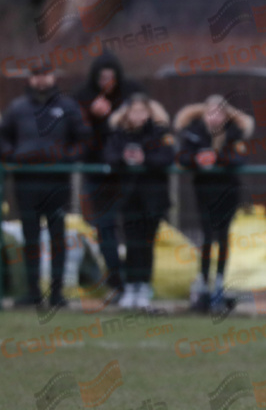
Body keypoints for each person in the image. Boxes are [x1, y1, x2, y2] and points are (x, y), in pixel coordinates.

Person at [0, 62, 90, 306]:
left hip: (57, 182)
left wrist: (66, 158)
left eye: (45, 74)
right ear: (30, 79)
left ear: (53, 77)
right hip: (25, 182)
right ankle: (32, 292)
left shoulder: (67, 107)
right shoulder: (17, 108)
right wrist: (13, 155)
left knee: (57, 237)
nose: (41, 80)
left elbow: (83, 139)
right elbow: (3, 136)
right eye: (36, 75)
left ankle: (57, 293)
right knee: (30, 238)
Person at [175, 95, 255, 313]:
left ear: (226, 115)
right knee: (207, 236)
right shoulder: (194, 132)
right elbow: (182, 157)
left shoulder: (234, 134)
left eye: (218, 113)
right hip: (203, 192)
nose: (214, 117)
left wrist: (217, 158)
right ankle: (202, 283)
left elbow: (240, 159)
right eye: (210, 113)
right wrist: (197, 159)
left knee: (223, 236)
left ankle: (219, 283)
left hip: (228, 192)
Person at [75, 52, 144, 295]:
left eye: (110, 77)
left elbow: (144, 125)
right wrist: (91, 116)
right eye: (102, 77)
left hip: (126, 174)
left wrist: (116, 116)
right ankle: (117, 281)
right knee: (104, 228)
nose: (107, 81)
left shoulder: (132, 94)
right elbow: (77, 135)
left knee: (134, 227)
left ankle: (138, 283)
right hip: (97, 174)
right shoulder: (83, 97)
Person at [103, 94, 175, 309]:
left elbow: (167, 157)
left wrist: (146, 160)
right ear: (127, 113)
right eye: (134, 111)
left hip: (153, 200)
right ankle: (130, 286)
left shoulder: (160, 133)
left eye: (142, 111)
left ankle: (144, 286)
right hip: (128, 200)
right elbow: (109, 156)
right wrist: (124, 158)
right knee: (132, 244)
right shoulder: (119, 135)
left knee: (147, 244)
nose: (138, 115)